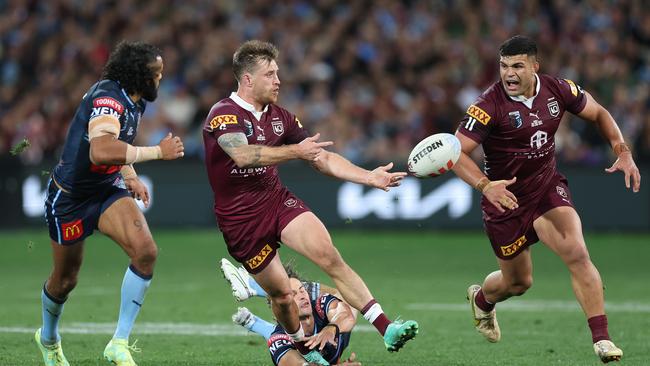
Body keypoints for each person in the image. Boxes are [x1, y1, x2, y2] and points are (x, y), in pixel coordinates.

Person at [202, 40, 418, 365]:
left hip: (276, 202)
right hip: (241, 222)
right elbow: (242, 155)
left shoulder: (281, 118)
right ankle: (304, 347)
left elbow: (322, 157)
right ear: (247, 79)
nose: (278, 80)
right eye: (270, 74)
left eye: (278, 73)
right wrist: (295, 152)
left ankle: (385, 327)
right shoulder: (224, 114)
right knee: (283, 296)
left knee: (331, 257)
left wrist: (368, 177)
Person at [452, 35, 641, 364]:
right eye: (503, 66)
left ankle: (602, 339)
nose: (508, 74)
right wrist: (485, 186)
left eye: (517, 66)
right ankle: (482, 300)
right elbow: (456, 153)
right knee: (518, 283)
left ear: (535, 67)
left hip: (545, 187)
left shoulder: (559, 89)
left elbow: (600, 113)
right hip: (505, 200)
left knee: (578, 253)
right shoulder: (487, 106)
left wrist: (622, 151)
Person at [36, 41, 185, 366]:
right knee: (65, 280)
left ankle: (119, 342)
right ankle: (48, 338)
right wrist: (157, 152)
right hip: (70, 199)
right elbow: (100, 151)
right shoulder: (108, 99)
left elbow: (118, 146)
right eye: (155, 74)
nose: (160, 78)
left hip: (106, 189)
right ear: (137, 76)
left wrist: (129, 174)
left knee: (145, 252)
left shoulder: (135, 99)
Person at [226, 261, 360, 365]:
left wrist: (332, 328)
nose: (303, 296)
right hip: (287, 332)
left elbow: (346, 314)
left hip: (336, 336)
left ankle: (255, 288)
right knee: (278, 331)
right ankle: (257, 321)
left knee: (349, 298)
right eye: (293, 294)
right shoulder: (278, 340)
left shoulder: (321, 306)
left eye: (303, 290)